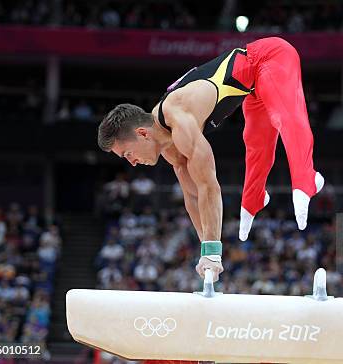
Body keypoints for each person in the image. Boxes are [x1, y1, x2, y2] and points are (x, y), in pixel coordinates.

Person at [97, 37, 324, 281]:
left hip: (269, 57)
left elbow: (209, 187)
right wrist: (207, 251)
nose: (131, 163)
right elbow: (192, 196)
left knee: (285, 118)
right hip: (252, 87)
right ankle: (256, 198)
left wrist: (214, 253)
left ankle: (306, 180)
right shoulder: (168, 146)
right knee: (256, 142)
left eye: (127, 153)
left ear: (142, 134)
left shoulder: (179, 117)